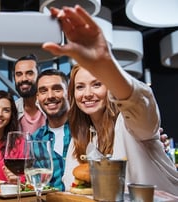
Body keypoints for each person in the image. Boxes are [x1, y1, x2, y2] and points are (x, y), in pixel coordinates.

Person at [42, 5, 178, 195]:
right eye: (80, 87)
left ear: (110, 89)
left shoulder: (129, 124)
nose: (87, 93)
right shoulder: (81, 136)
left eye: (97, 84)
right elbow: (72, 185)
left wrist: (106, 63)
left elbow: (139, 102)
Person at [31, 69, 71, 191]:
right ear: (38, 97)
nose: (50, 96)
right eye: (43, 91)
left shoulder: (86, 130)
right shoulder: (35, 139)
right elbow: (36, 185)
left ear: (68, 92)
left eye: (57, 89)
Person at [14, 54, 46, 134]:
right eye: (19, 74)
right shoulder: (13, 110)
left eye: (29, 73)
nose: (24, 79)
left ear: (39, 76)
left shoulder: (50, 106)